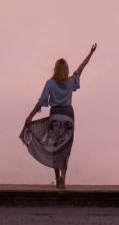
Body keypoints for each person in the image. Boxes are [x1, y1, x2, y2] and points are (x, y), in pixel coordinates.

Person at [19, 43, 97, 189]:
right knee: (66, 148)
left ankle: (57, 178)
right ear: (66, 69)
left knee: (55, 147)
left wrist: (30, 116)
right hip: (68, 116)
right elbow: (82, 66)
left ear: (55, 69)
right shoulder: (70, 81)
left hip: (55, 117)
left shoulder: (50, 83)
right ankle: (63, 178)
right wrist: (91, 53)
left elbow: (41, 102)